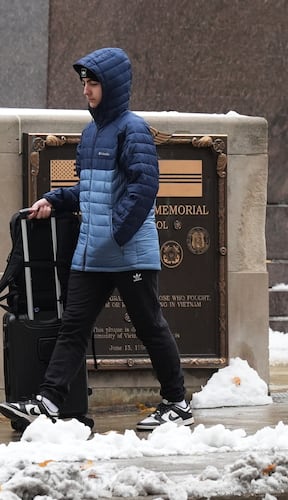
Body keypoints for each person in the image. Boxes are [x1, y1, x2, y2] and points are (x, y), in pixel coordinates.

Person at [0, 47, 193, 431]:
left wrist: (116, 232)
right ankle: (49, 401)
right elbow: (90, 190)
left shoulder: (132, 128)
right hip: (94, 254)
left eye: (93, 83)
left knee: (149, 326)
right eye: (84, 83)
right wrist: (54, 200)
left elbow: (145, 186)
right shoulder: (92, 133)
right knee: (73, 326)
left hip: (128, 253)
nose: (86, 91)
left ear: (113, 86)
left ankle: (177, 402)